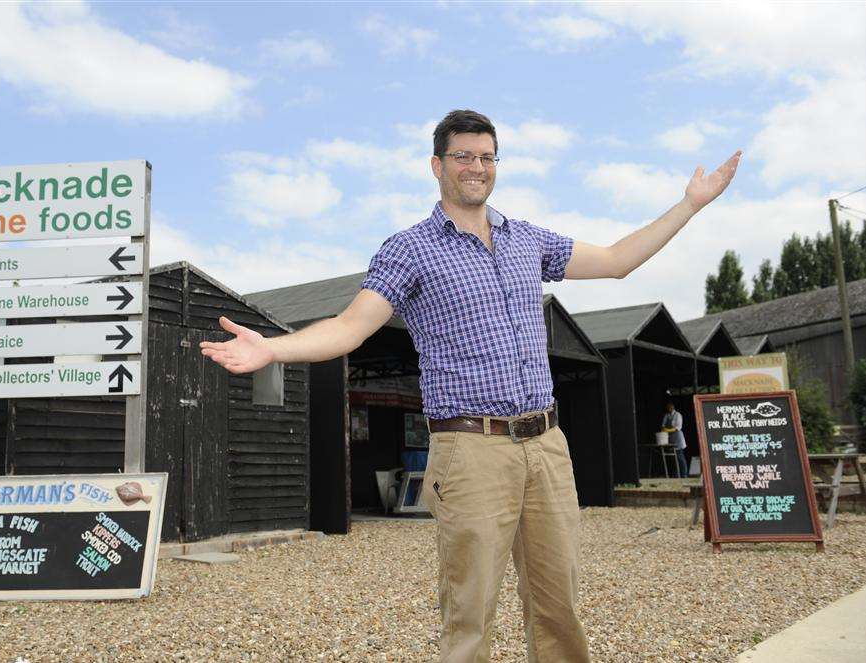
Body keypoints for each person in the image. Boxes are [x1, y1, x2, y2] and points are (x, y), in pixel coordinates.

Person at [200, 109, 741, 662]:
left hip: (547, 447)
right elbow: (349, 327)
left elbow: (617, 261)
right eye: (463, 156)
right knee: (470, 616)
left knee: (560, 610)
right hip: (470, 450)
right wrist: (272, 348)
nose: (476, 167)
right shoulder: (409, 249)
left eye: (486, 157)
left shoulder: (527, 240)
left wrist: (690, 205)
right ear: (437, 166)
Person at [662, 402, 689, 478]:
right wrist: (665, 429)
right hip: (670, 438)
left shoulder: (678, 415)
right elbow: (663, 426)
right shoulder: (666, 415)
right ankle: (676, 475)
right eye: (667, 407)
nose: (668, 408)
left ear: (672, 407)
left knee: (680, 457)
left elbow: (678, 427)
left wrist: (667, 430)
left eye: (670, 407)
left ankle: (684, 474)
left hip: (678, 438)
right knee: (673, 459)